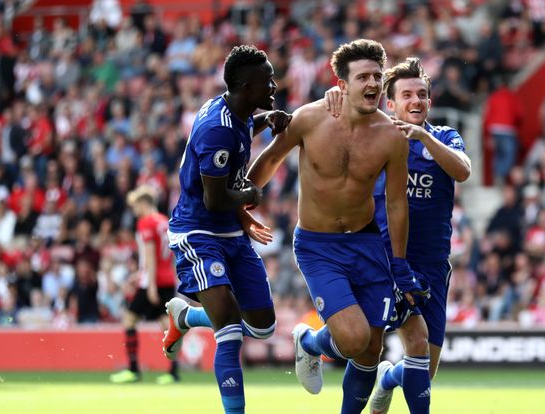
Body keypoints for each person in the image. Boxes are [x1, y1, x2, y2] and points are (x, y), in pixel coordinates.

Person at [250, 39, 425, 414]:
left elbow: (396, 203)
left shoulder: (393, 136)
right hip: (318, 246)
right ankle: (310, 343)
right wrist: (239, 206)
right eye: (363, 77)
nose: (373, 84)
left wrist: (399, 263)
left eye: (378, 76)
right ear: (341, 84)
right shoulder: (309, 119)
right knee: (353, 339)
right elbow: (269, 160)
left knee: (371, 349)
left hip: (367, 243)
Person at [325, 57, 471, 414]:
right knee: (379, 344)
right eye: (407, 95)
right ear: (390, 103)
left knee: (425, 367)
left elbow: (463, 171)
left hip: (433, 264)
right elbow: (341, 113)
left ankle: (389, 379)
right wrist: (335, 94)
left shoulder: (444, 137)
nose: (416, 101)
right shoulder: (375, 138)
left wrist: (423, 137)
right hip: (385, 260)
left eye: (422, 94)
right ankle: (314, 342)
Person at [162, 45, 291, 414]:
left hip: (231, 233)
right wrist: (251, 193)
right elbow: (215, 200)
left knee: (263, 328)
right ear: (247, 86)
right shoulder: (216, 130)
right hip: (198, 233)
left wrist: (269, 120)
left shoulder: (237, 109)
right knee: (230, 331)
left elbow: (248, 124)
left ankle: (185, 316)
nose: (274, 84)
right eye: (268, 80)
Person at [109, 185, 179, 384]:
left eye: (135, 206)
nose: (134, 211)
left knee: (129, 319)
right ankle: (173, 372)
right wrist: (139, 275)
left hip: (152, 281)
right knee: (167, 324)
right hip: (166, 278)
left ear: (143, 203)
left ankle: (133, 369)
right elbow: (165, 254)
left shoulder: (146, 223)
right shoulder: (165, 222)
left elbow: (150, 255)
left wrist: (149, 285)